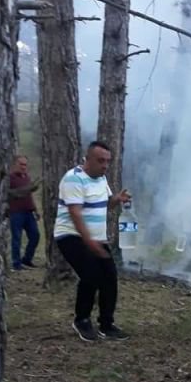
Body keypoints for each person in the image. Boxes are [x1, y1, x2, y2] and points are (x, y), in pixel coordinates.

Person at [54, 141, 131, 342]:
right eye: (100, 161)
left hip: (96, 238)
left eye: (107, 161)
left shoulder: (101, 179)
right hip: (71, 236)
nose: (105, 165)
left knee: (110, 278)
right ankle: (82, 320)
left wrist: (117, 199)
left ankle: (106, 325)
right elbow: (75, 214)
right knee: (91, 275)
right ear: (87, 159)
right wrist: (89, 242)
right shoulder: (73, 179)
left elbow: (106, 204)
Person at [8, 155, 40, 271]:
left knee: (35, 236)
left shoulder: (27, 177)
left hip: (28, 212)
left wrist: (36, 210)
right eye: (21, 164)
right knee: (17, 238)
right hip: (16, 212)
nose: (23, 167)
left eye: (25, 164)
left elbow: (30, 194)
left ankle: (26, 259)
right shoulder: (10, 178)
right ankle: (16, 264)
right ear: (15, 164)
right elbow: (9, 193)